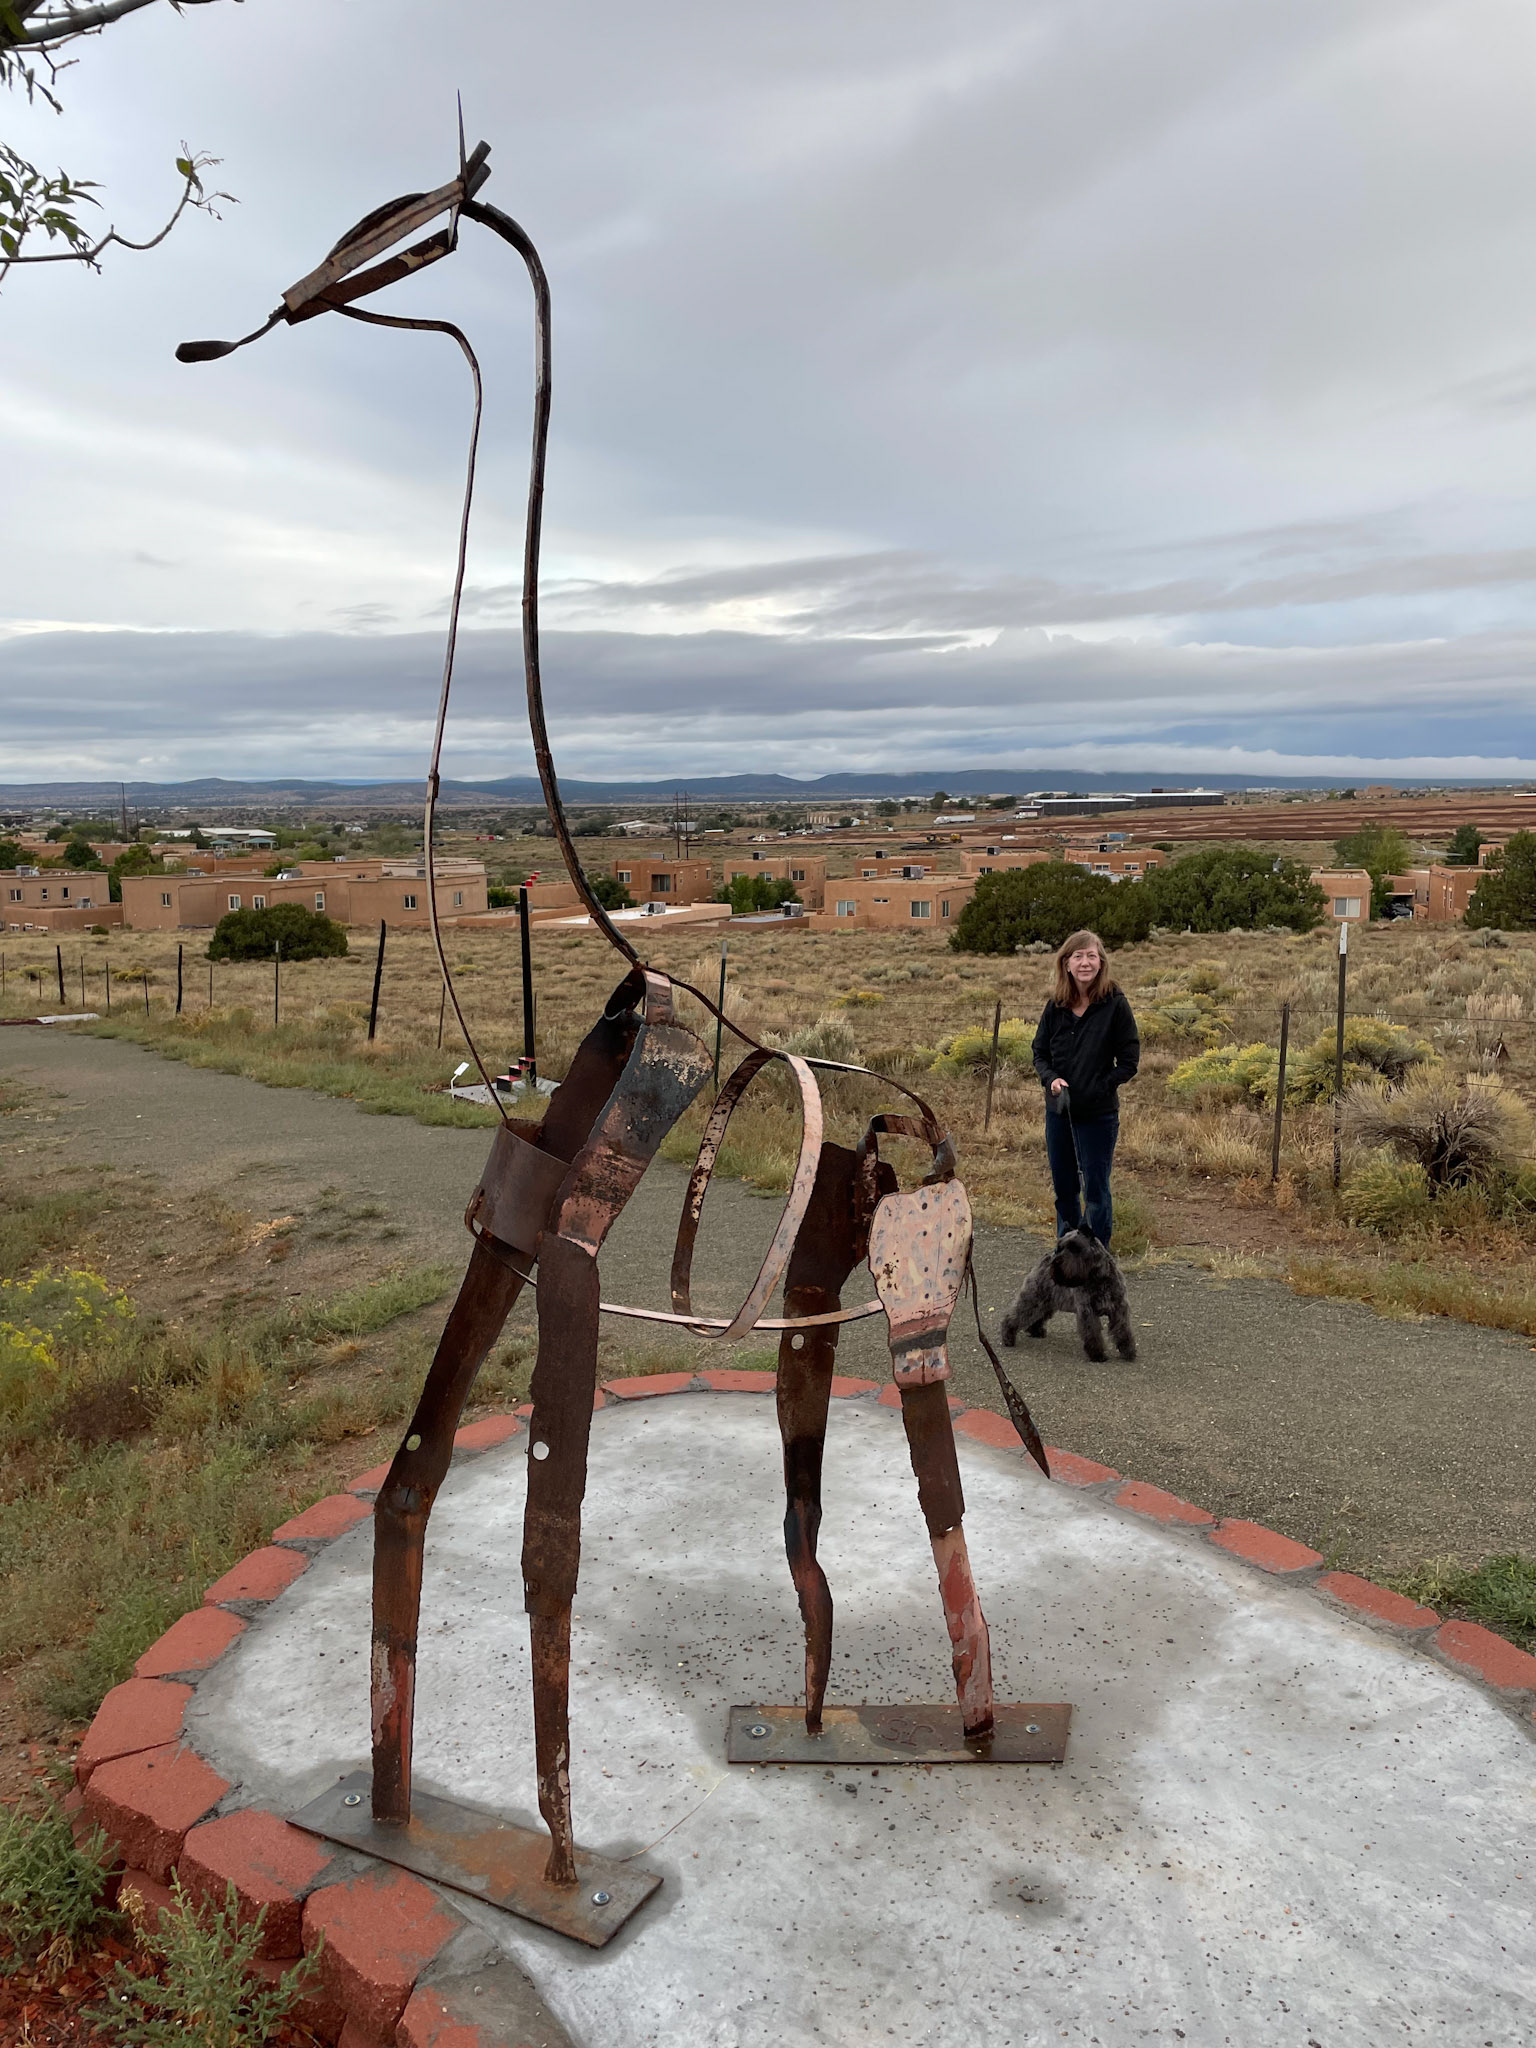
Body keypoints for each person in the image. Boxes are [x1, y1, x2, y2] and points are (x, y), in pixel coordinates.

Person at [1031, 929, 1139, 1247]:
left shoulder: (1115, 1004)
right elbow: (1040, 1053)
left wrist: (1098, 1087)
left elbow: (1129, 1061)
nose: (1085, 962)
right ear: (1066, 963)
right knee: (1064, 1187)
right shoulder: (1056, 1005)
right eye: (1078, 956)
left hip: (1098, 1115)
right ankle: (1066, 1253)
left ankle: (1095, 1256)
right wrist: (1051, 1079)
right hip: (1059, 1112)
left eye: (1091, 955)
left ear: (1101, 962)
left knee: (1095, 1189)